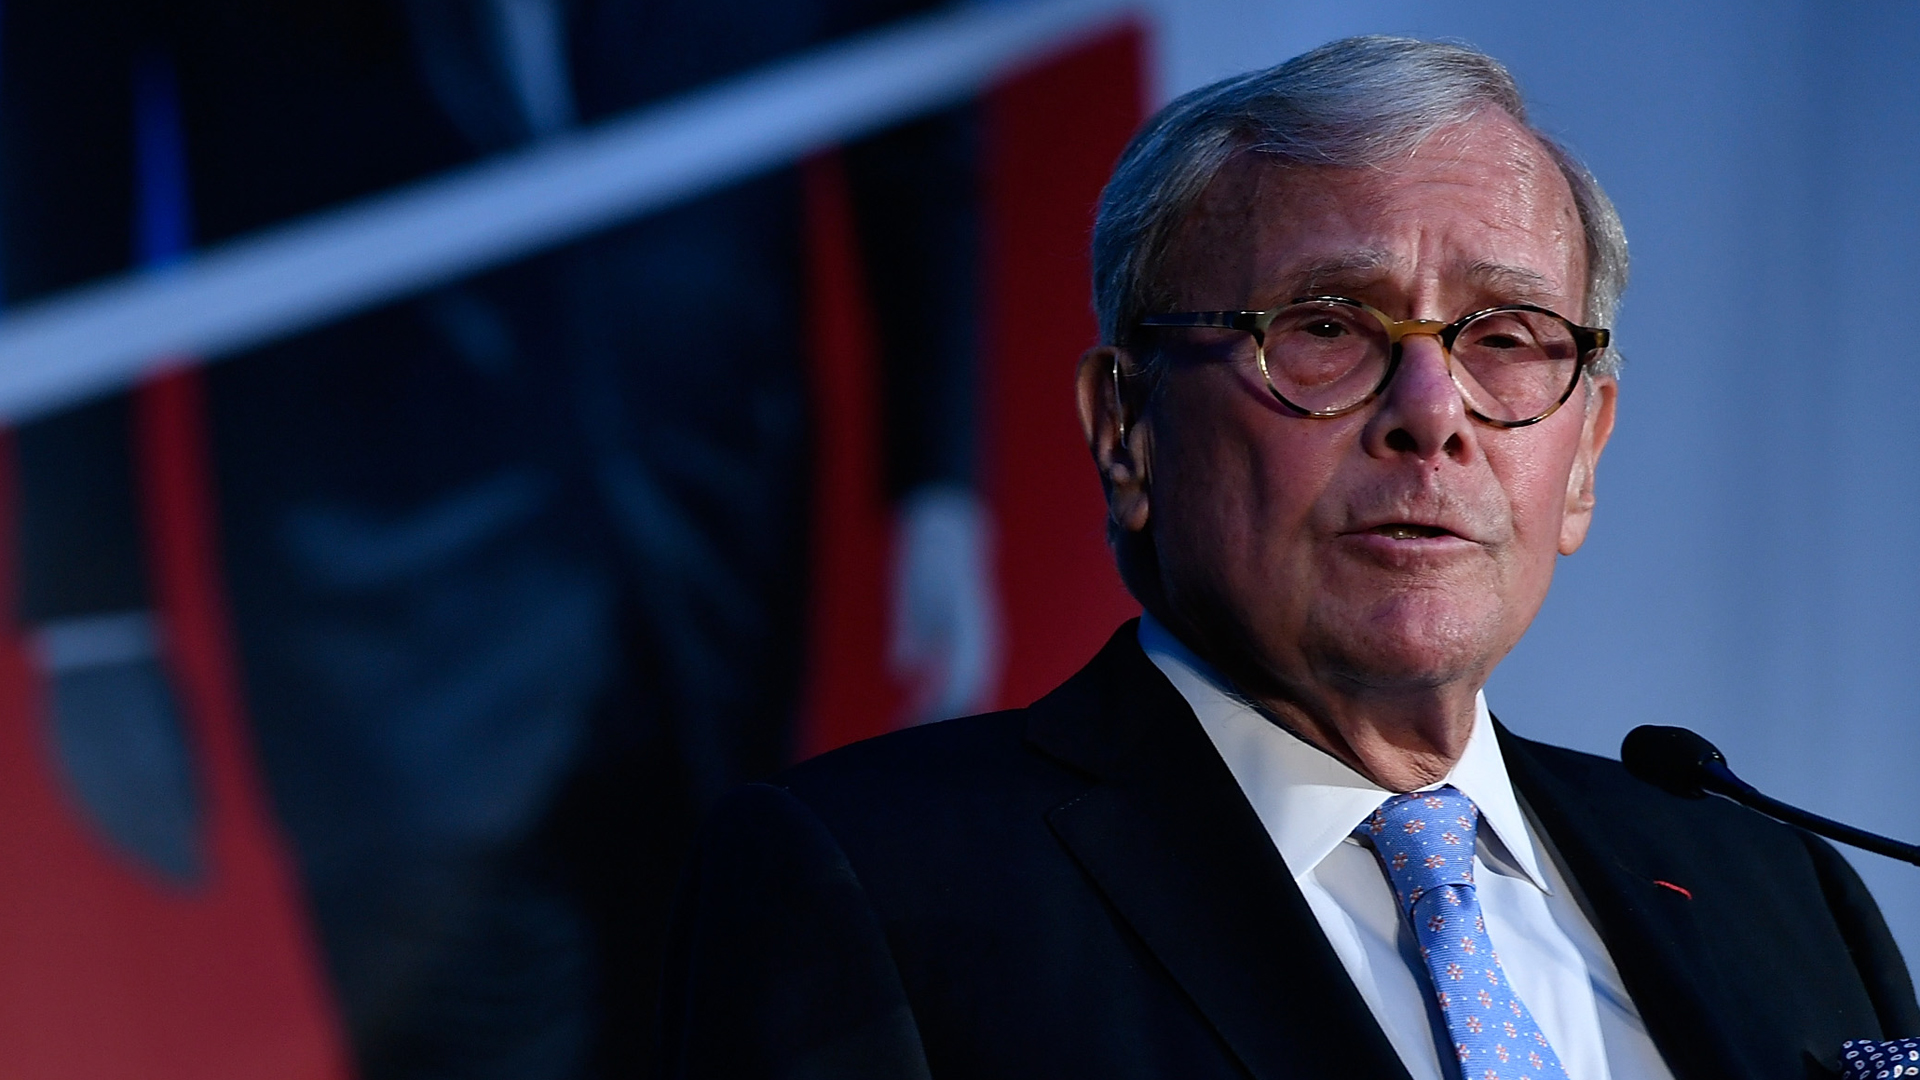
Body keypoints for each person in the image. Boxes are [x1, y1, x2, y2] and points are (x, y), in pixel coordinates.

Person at [659, 35, 1920, 1080]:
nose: (1430, 410)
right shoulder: (877, 881)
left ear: (1583, 451)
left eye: (1509, 336)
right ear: (1125, 430)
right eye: (1325, 327)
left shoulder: (1780, 892)